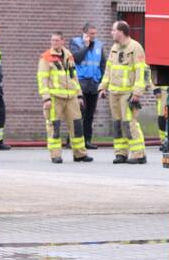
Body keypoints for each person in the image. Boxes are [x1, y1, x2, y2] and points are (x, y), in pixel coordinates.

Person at [37, 32, 92, 163]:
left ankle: (80, 154)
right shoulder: (46, 57)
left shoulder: (68, 55)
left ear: (62, 41)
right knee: (54, 127)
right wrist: (46, 98)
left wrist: (79, 95)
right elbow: (42, 79)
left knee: (77, 126)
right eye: (52, 40)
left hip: (71, 97)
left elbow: (74, 76)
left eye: (57, 40)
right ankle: (55, 155)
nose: (54, 43)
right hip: (55, 97)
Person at [99, 20, 148, 164]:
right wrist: (103, 87)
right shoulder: (114, 48)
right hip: (114, 92)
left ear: (121, 32)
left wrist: (138, 92)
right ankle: (121, 153)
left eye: (113, 30)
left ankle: (138, 154)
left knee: (129, 123)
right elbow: (109, 69)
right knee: (117, 124)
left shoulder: (135, 47)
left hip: (128, 93)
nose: (111, 33)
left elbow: (142, 71)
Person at [70, 23, 107, 150]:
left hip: (94, 83)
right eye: (91, 34)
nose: (93, 36)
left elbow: (102, 64)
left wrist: (102, 83)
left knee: (90, 114)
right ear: (84, 33)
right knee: (79, 113)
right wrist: (86, 46)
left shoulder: (99, 45)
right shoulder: (75, 43)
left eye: (95, 33)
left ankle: (87, 140)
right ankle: (73, 140)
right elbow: (76, 59)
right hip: (80, 83)